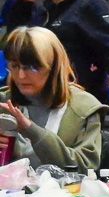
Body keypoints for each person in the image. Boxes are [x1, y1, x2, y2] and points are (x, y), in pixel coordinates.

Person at [0, 26, 103, 170]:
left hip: (63, 191)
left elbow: (85, 167)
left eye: (33, 67)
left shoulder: (83, 108)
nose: (21, 76)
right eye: (15, 66)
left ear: (54, 68)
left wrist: (31, 130)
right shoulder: (3, 102)